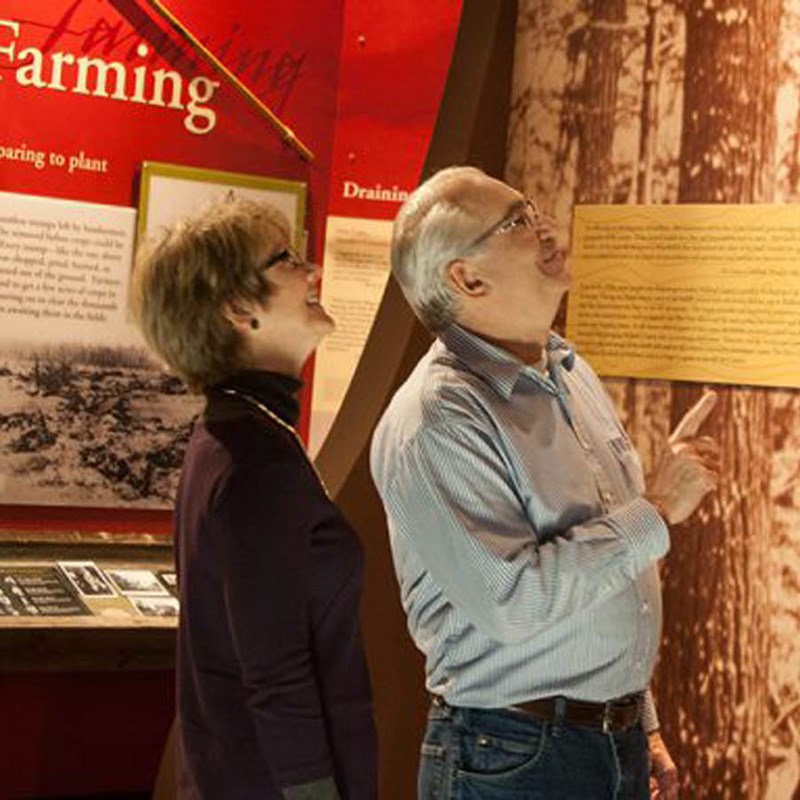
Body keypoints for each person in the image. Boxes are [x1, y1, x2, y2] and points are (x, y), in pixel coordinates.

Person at [370, 166, 718, 799]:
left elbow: (602, 588)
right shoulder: (438, 418)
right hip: (511, 756)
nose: (548, 226)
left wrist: (638, 718)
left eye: (532, 209)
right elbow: (514, 601)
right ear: (466, 278)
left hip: (603, 741)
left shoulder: (566, 370)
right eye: (518, 222)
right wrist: (660, 508)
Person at [134, 197, 377, 800]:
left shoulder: (234, 436)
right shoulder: (255, 460)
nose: (312, 269)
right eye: (287, 259)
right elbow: (274, 670)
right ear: (239, 309)